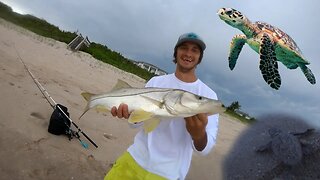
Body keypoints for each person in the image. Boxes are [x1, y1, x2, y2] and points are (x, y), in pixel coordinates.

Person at [105, 32, 220, 180]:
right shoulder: (156, 82)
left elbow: (205, 149)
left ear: (200, 57)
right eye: (183, 48)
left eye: (195, 50)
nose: (188, 53)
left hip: (167, 174)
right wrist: (129, 115)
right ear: (176, 52)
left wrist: (199, 135)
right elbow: (136, 124)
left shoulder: (208, 96)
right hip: (134, 158)